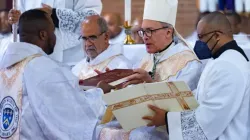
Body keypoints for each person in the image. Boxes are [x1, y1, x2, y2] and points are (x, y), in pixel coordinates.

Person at [97, 0, 203, 139]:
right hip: (142, 122)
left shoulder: (187, 63)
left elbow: (181, 109)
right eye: (143, 31)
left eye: (150, 31)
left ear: (168, 32)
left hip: (167, 130)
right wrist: (113, 86)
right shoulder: (148, 58)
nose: (145, 36)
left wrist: (149, 82)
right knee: (97, 129)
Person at [0, 9, 112, 139]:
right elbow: (72, 112)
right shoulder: (42, 67)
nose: (55, 37)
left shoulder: (5, 67)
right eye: (53, 31)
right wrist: (101, 93)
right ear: (43, 35)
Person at [145, 11, 250, 140]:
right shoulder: (220, 60)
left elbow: (210, 118)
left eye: (201, 37)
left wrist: (167, 119)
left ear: (217, 35)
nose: (199, 42)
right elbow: (203, 95)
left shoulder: (228, 66)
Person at [8, 0, 102, 67]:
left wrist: (55, 15)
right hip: (34, 63)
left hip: (72, 63)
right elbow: (20, 24)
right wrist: (17, 21)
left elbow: (92, 20)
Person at [72, 15, 132, 79]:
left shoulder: (121, 67)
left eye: (92, 38)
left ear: (106, 37)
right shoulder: (77, 69)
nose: (87, 44)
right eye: (84, 38)